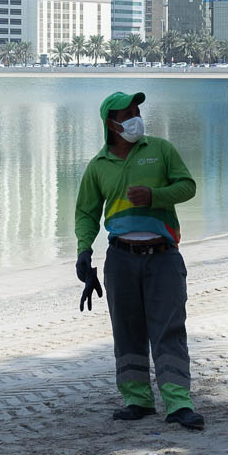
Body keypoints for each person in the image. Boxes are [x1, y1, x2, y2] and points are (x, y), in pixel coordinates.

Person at [74, 90, 204, 430]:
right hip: (120, 260)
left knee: (169, 330)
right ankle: (138, 400)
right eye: (126, 113)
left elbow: (188, 186)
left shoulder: (161, 149)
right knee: (127, 331)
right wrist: (84, 251)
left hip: (163, 257)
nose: (135, 117)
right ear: (110, 124)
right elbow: (86, 213)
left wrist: (154, 196)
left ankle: (178, 403)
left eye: (136, 110)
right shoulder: (98, 166)